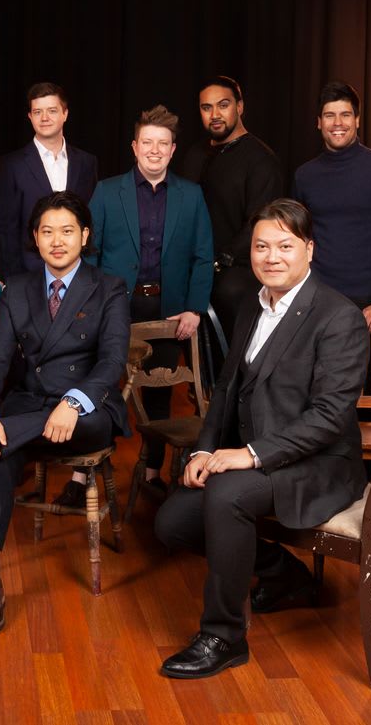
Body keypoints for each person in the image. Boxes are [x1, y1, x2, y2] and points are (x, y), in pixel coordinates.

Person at [152, 199, 369, 680]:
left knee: (227, 495)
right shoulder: (252, 308)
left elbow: (330, 417)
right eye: (261, 246)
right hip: (262, 457)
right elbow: (225, 391)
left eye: (285, 246)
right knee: (173, 521)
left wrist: (249, 456)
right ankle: (281, 572)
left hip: (320, 463)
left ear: (309, 250)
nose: (272, 257)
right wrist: (205, 449)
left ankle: (223, 637)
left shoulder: (338, 316)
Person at [0, 191, 131, 634]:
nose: (58, 241)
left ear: (85, 236)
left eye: (68, 231)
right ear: (35, 238)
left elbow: (112, 362)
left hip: (88, 412)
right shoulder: (15, 288)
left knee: (11, 431)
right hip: (31, 406)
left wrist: (73, 403)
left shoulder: (109, 287)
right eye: (48, 231)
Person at [87, 105, 214, 499]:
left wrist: (193, 308)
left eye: (163, 144)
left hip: (169, 311)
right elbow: (89, 255)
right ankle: (84, 477)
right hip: (116, 309)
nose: (155, 150)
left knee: (159, 395)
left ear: (173, 150)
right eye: (148, 143)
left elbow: (202, 256)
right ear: (134, 146)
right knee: (101, 392)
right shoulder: (108, 192)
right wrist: (97, 310)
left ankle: (153, 473)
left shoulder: (191, 196)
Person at [174, 76, 289, 345]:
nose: (214, 114)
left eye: (223, 105)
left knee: (233, 355)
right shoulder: (194, 155)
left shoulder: (260, 159)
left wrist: (217, 261)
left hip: (236, 275)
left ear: (239, 106)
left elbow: (260, 222)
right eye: (206, 108)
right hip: (196, 270)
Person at [291, 81, 371, 330]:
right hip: (315, 296)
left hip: (366, 303)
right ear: (319, 122)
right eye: (329, 115)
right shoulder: (305, 175)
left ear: (357, 120)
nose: (337, 123)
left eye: (345, 115)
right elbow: (298, 238)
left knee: (356, 370)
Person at [0, 82, 99, 279]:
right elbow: (5, 229)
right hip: (29, 272)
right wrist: (13, 279)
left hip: (79, 272)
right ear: (30, 117)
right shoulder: (11, 165)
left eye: (52, 110)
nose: (44, 118)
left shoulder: (86, 162)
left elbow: (91, 220)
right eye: (37, 112)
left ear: (65, 114)